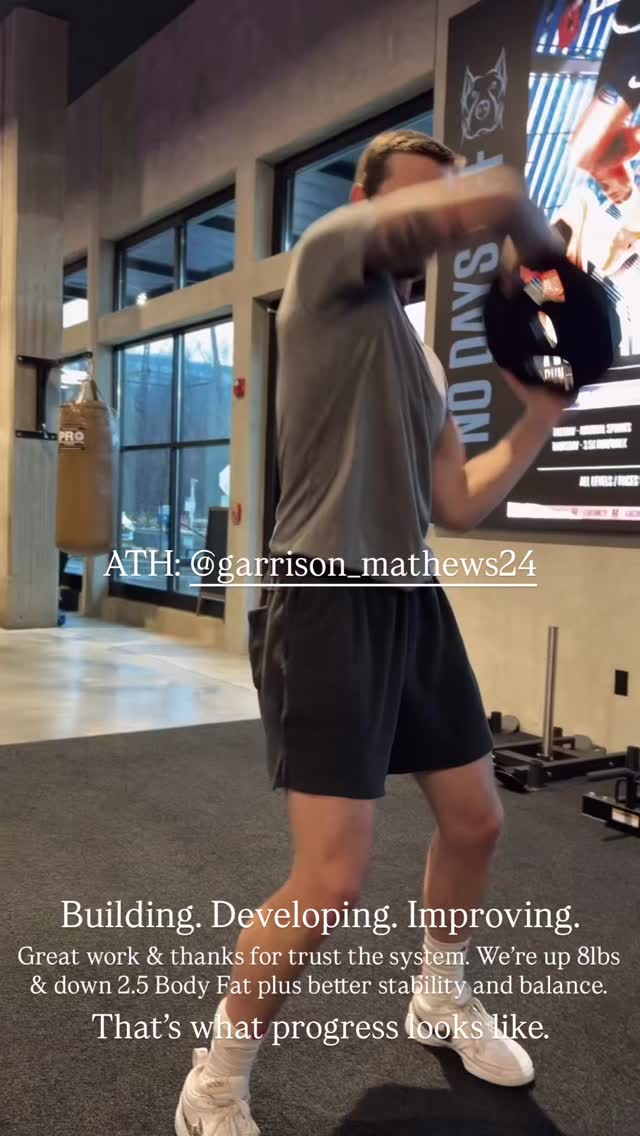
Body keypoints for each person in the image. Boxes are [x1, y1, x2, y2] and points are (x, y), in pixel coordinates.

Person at [175, 130, 570, 1136]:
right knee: (331, 880)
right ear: (365, 202)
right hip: (325, 597)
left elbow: (456, 501)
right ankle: (215, 1075)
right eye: (416, 203)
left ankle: (439, 995)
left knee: (477, 820)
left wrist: (537, 417)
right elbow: (488, 201)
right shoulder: (323, 265)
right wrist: (538, 249)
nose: (432, 226)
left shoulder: (420, 356)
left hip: (409, 596)